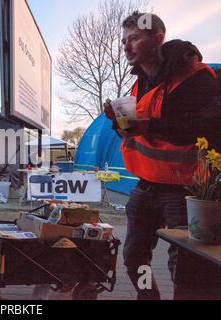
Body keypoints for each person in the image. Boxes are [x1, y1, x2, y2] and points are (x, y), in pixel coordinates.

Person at [104, 12, 218, 300]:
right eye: (124, 41)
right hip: (146, 185)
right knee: (134, 257)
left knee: (185, 265)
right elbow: (136, 132)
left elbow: (207, 125)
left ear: (157, 39)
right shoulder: (140, 83)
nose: (126, 46)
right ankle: (148, 297)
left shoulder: (196, 77)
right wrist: (119, 124)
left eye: (134, 38)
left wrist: (150, 125)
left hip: (185, 190)